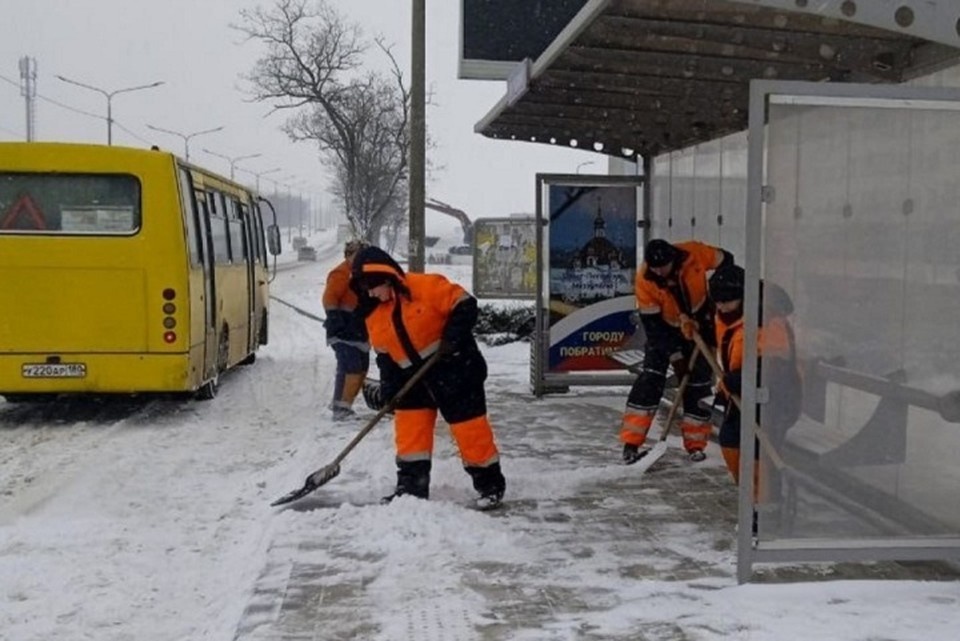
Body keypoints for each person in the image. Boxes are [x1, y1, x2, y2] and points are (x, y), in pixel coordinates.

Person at [350, 245, 507, 510]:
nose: (371, 293)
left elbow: (465, 304)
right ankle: (411, 489)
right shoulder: (374, 315)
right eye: (366, 289)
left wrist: (452, 338)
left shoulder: (426, 287)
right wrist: (391, 391)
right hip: (413, 380)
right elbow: (386, 359)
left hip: (455, 368)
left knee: (471, 433)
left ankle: (490, 487)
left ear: (387, 277)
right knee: (410, 433)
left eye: (373, 286)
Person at [620, 238, 733, 464]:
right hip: (664, 327)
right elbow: (653, 327)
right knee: (650, 379)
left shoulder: (695, 253)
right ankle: (631, 444)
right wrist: (675, 355)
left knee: (699, 385)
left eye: (663, 266)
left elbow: (726, 260)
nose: (659, 272)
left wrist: (716, 294)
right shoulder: (645, 279)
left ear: (673, 258)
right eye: (654, 268)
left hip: (700, 319)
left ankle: (695, 445)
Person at [708, 264, 802, 487]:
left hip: (775, 397)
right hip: (742, 393)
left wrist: (741, 379)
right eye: (717, 302)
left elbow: (775, 367)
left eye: (727, 301)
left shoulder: (768, 320)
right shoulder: (726, 315)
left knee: (761, 453)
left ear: (743, 295)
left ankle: (765, 505)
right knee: (730, 440)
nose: (721, 306)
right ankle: (747, 494)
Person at [322, 239, 370, 421]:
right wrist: (335, 318)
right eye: (358, 255)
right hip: (342, 330)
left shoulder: (363, 273)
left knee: (362, 368)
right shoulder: (341, 274)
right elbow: (329, 297)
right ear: (349, 255)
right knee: (351, 367)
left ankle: (344, 404)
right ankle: (341, 408)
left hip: (359, 331)